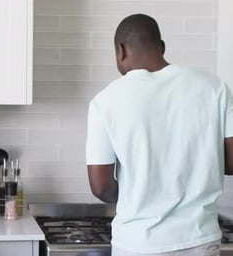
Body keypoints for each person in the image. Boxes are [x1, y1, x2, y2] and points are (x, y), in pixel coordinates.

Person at [85, 13, 233, 256]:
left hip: (137, 244)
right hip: (199, 241)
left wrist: (142, 191)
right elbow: (230, 163)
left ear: (120, 51)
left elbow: (101, 187)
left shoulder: (105, 101)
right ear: (162, 47)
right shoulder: (215, 88)